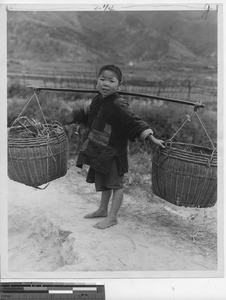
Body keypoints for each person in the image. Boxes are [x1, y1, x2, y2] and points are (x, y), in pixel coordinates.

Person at [64, 64, 165, 229]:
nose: (105, 84)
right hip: (100, 149)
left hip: (114, 152)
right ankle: (103, 209)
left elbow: (133, 120)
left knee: (115, 184)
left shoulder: (119, 104)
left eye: (111, 81)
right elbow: (86, 113)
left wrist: (150, 137)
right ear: (96, 82)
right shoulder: (97, 100)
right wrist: (68, 116)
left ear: (119, 85)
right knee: (104, 181)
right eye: (102, 79)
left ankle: (113, 217)